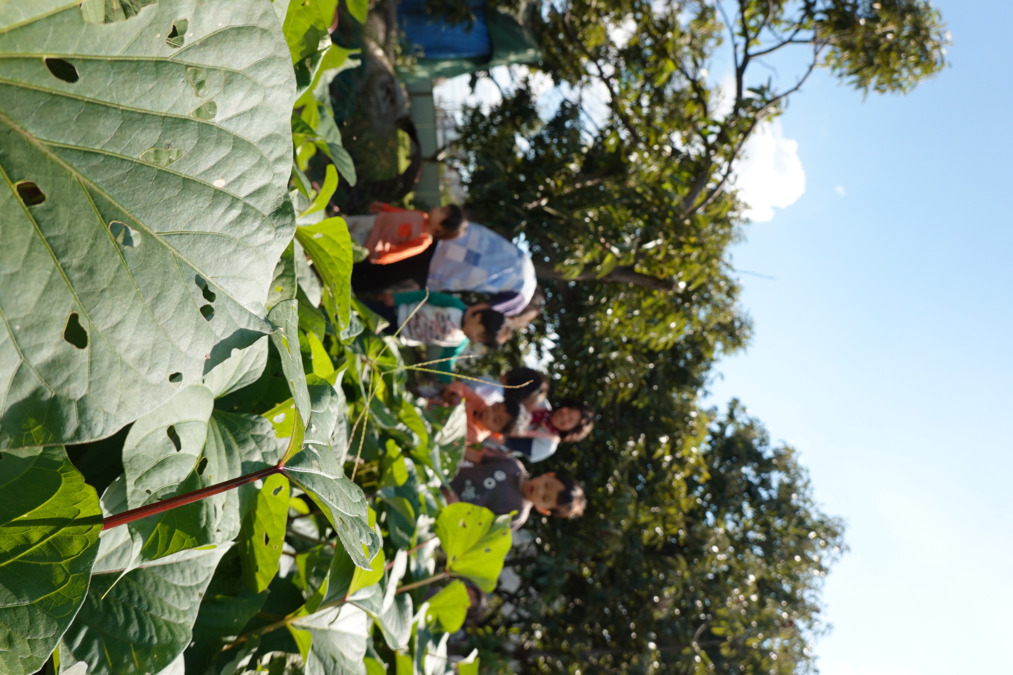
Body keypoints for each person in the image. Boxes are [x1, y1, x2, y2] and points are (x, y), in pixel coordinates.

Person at [351, 222, 537, 317]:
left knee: (377, 250)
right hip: (442, 268)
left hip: (450, 233)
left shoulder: (525, 261)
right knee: (373, 278)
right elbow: (480, 312)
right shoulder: (521, 297)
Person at [364, 290, 510, 380]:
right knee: (363, 311)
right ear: (479, 318)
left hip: (399, 335)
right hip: (397, 313)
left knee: (366, 337)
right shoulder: (455, 306)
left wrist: (448, 382)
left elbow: (446, 361)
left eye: (480, 341)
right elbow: (426, 296)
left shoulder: (460, 342)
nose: (475, 339)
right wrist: (397, 299)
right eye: (479, 335)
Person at [448, 449, 585, 529]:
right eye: (547, 485)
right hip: (442, 474)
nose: (539, 491)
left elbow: (479, 530)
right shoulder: (513, 465)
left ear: (543, 510)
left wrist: (454, 513)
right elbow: (476, 457)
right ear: (548, 475)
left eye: (545, 498)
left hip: (445, 508)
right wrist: (448, 447)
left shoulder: (517, 515)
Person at [345, 202, 466, 264]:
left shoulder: (422, 241)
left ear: (441, 228)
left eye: (441, 211)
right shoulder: (421, 215)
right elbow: (399, 213)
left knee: (342, 241)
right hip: (372, 221)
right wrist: (385, 207)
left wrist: (381, 257)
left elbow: (400, 253)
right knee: (342, 223)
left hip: (368, 240)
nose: (436, 208)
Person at [503, 399, 595, 463]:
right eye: (569, 410)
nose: (564, 416)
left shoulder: (547, 445)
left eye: (570, 420)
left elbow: (507, 442)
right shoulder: (540, 402)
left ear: (570, 432)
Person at [438, 381, 530, 444]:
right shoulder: (479, 402)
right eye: (495, 407)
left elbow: (448, 429)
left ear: (496, 433)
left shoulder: (474, 435)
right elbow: (460, 386)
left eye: (495, 420)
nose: (489, 414)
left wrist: (454, 408)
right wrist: (456, 394)